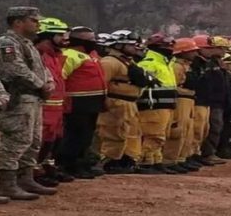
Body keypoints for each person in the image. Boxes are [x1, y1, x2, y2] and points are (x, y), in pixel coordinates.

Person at [0, 7, 56, 201]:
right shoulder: (7, 43)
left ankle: (25, 178)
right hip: (19, 98)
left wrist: (49, 81)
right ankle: (6, 184)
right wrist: (40, 85)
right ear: (18, 22)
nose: (38, 24)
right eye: (33, 20)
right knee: (16, 141)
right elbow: (15, 69)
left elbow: (42, 68)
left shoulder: (28, 44)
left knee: (33, 141)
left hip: (34, 98)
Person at [96, 30, 156, 175]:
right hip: (116, 103)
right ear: (119, 45)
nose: (136, 47)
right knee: (114, 132)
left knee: (131, 133)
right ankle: (108, 161)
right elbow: (101, 84)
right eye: (131, 45)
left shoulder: (128, 62)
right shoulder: (109, 62)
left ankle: (127, 160)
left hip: (130, 103)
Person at [59, 26, 107, 180]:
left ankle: (82, 163)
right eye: (91, 39)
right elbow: (60, 78)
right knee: (75, 135)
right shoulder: (69, 55)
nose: (95, 42)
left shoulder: (91, 55)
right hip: (76, 103)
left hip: (93, 103)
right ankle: (69, 165)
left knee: (87, 136)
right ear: (80, 41)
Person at [32, 18, 73, 187]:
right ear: (48, 35)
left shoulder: (55, 54)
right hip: (45, 106)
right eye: (60, 35)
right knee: (41, 140)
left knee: (54, 139)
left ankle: (47, 167)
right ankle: (34, 172)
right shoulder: (40, 53)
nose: (65, 38)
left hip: (56, 106)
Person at [137, 33, 179, 174]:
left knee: (161, 135)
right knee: (152, 135)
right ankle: (145, 162)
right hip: (153, 106)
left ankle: (156, 160)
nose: (170, 49)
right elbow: (141, 86)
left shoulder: (165, 63)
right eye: (166, 46)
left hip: (166, 105)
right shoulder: (148, 63)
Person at [162, 38, 202, 173]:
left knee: (187, 132)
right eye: (192, 51)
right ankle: (169, 159)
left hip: (189, 100)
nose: (195, 54)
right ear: (182, 52)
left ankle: (180, 158)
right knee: (177, 130)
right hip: (181, 100)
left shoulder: (186, 66)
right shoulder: (176, 66)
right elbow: (174, 86)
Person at [192, 35, 231, 166]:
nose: (221, 51)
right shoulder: (199, 63)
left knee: (213, 127)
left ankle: (208, 152)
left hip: (215, 101)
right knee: (210, 128)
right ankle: (205, 154)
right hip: (207, 101)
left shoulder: (215, 63)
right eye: (210, 48)